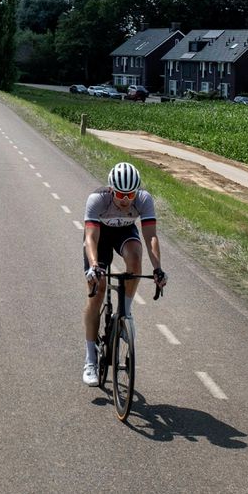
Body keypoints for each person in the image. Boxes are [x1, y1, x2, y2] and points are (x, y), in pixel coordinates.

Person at [82, 161, 166, 386]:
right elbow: (90, 237)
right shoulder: (97, 199)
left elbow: (151, 237)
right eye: (120, 194)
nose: (125, 199)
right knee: (97, 292)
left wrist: (157, 268)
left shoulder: (144, 199)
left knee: (135, 261)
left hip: (124, 232)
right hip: (99, 235)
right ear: (111, 189)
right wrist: (93, 265)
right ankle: (90, 360)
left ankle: (125, 314)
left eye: (130, 194)